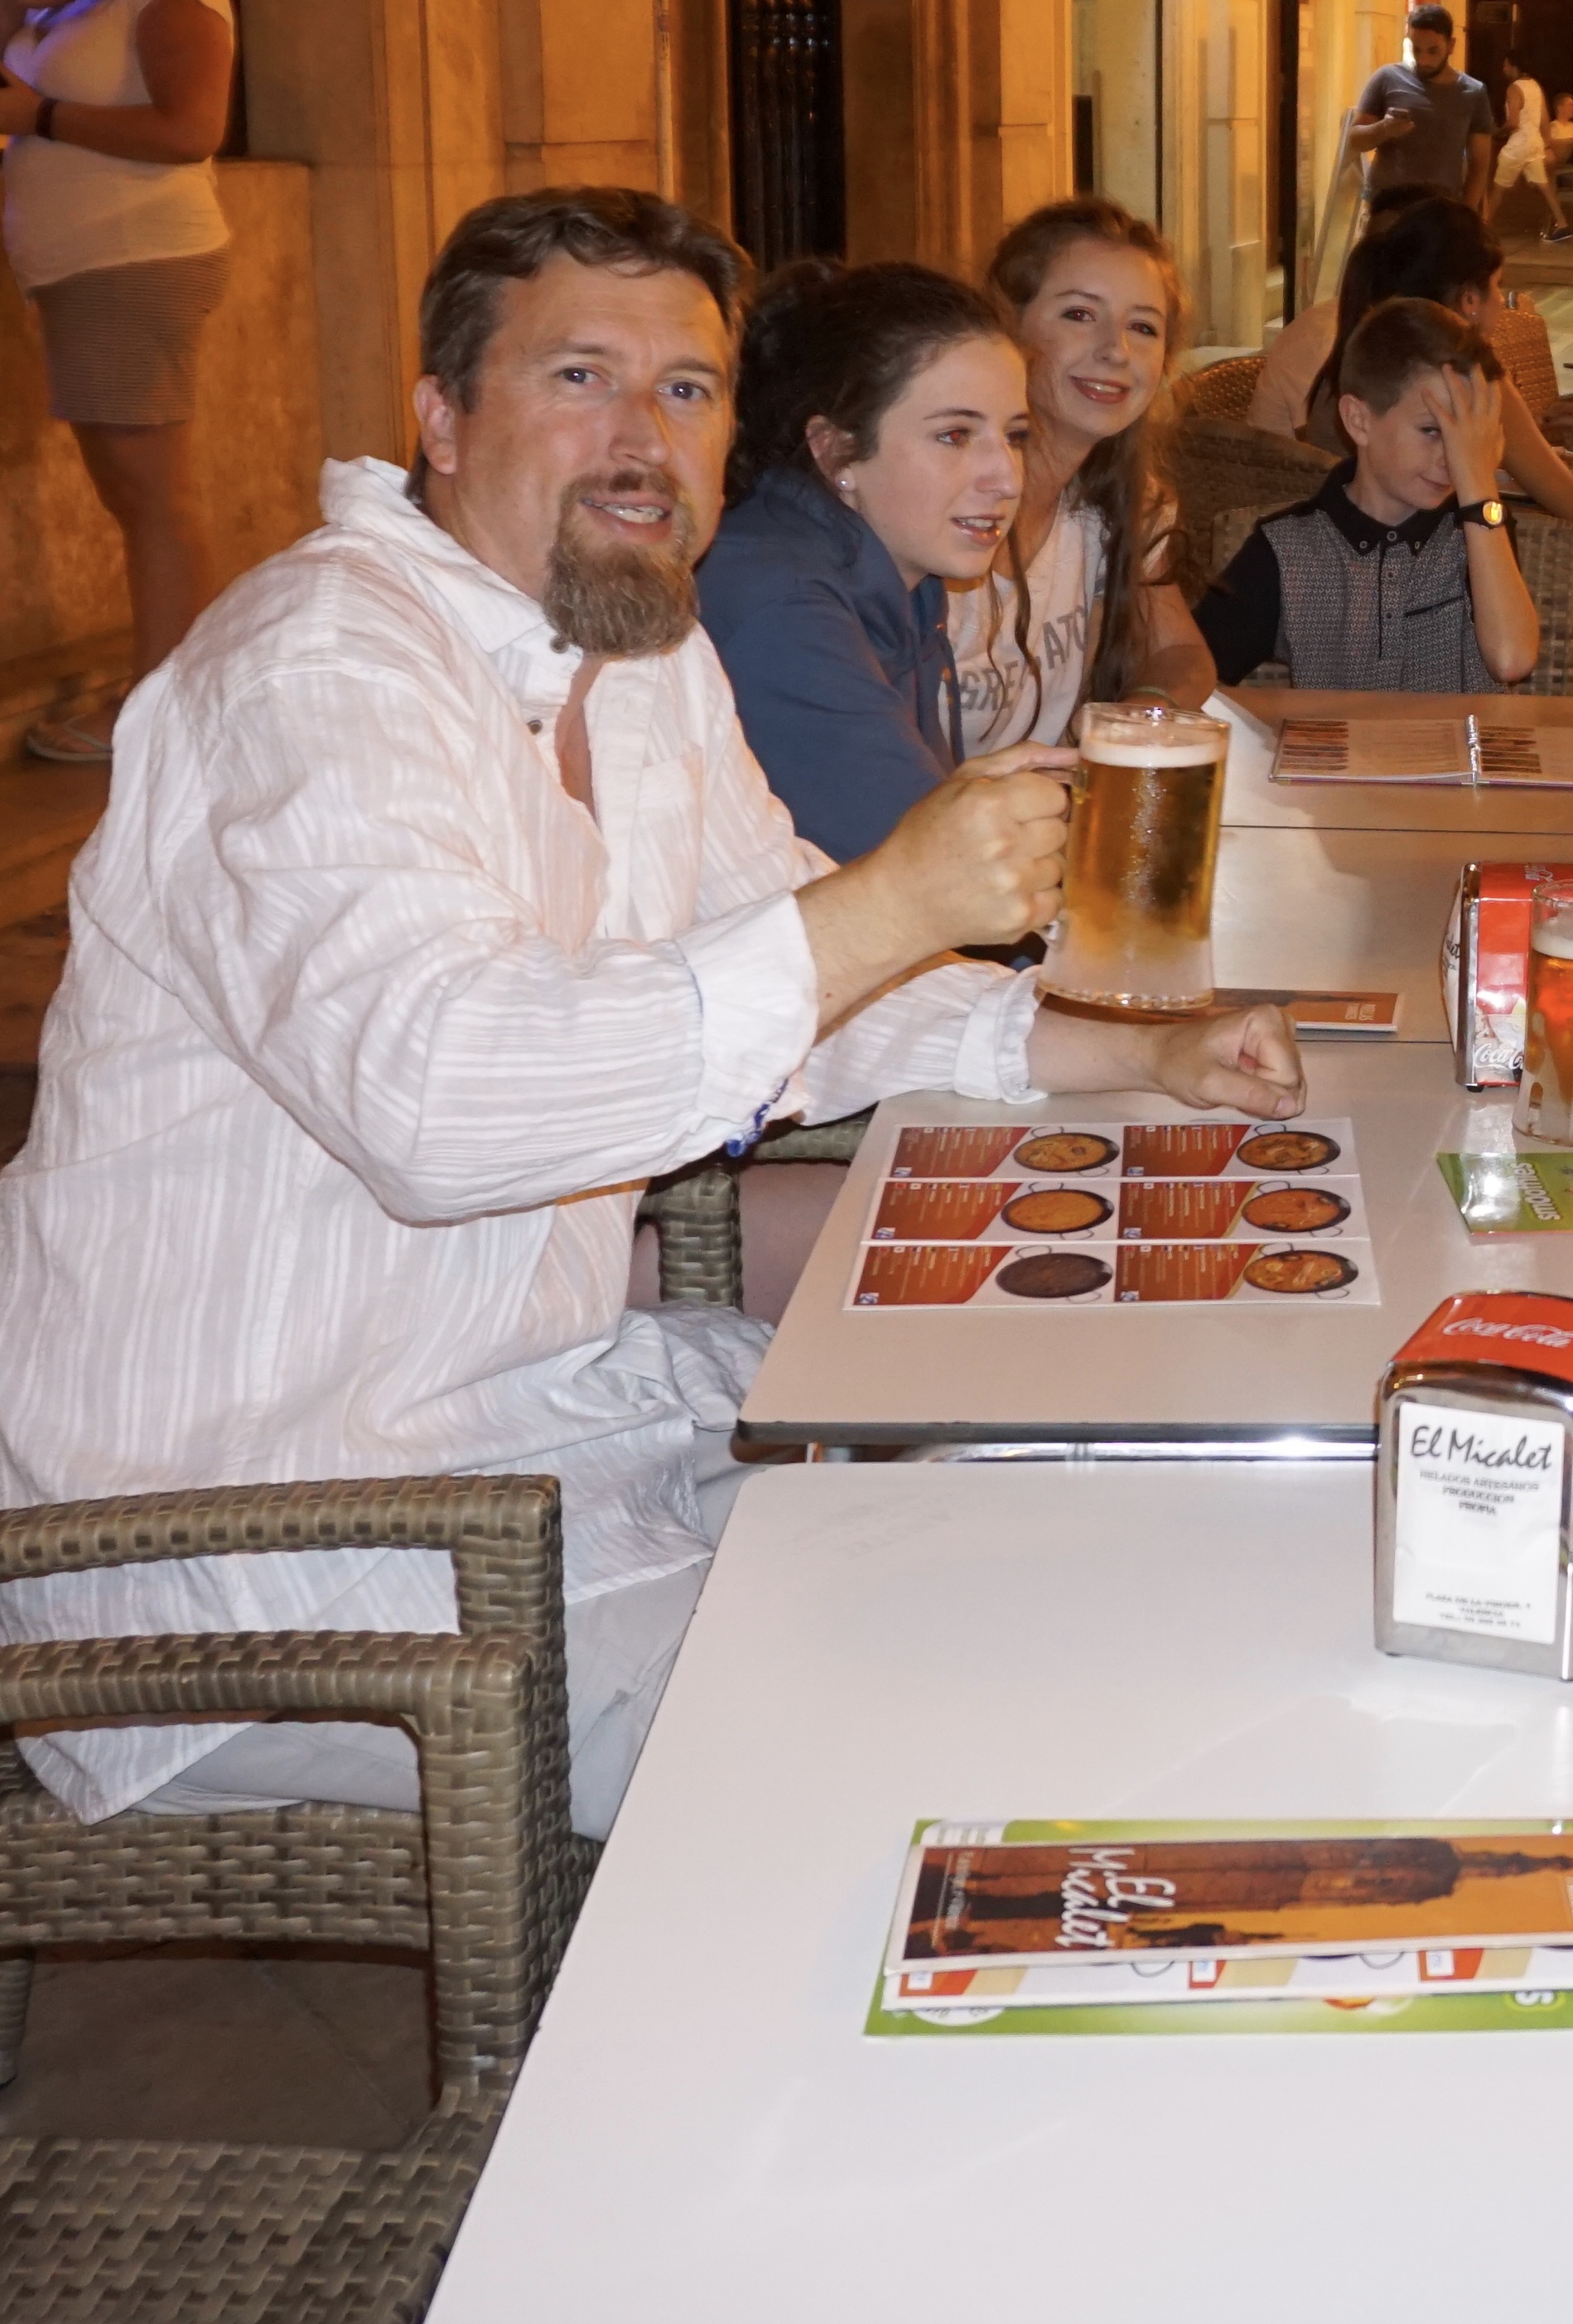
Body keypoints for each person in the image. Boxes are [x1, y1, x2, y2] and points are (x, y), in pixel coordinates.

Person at [0, 187, 1302, 1834]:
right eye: (579, 377)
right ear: (440, 418)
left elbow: (800, 970)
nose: (641, 437)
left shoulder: (640, 651)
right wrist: (893, 899)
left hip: (535, 1425)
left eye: (683, 388)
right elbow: (442, 1106)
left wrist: (1127, 1049)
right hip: (258, 1551)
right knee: (925, 1742)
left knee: (1057, 1478)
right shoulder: (316, 670)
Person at [6, 0, 240, 763]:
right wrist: (8, 10)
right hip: (88, 272)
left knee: (152, 497)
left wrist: (40, 116)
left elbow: (191, 129)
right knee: (137, 495)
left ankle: (162, 716)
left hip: (136, 265)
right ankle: (177, 698)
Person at [697, 263, 1034, 863]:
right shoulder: (780, 604)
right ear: (835, 452)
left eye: (1016, 436)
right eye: (955, 435)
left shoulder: (902, 577)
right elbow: (939, 870)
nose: (1007, 478)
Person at [949, 198, 1218, 754]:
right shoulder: (942, 503)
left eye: (1143, 327)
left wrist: (1137, 719)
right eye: (1079, 314)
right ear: (1007, 327)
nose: (1116, 351)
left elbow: (1181, 655)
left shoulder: (1121, 503)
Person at [1193, 299, 1540, 690]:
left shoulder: (1479, 529)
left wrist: (1480, 489)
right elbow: (1193, 671)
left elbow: (1511, 661)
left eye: (1467, 439)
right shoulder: (1288, 549)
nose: (1454, 460)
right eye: (1432, 431)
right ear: (1359, 420)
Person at [1250, 198, 1573, 526]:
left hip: (1339, 543)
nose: (1501, 300)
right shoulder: (1469, 381)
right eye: (1498, 285)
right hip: (1431, 556)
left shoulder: (1358, 356)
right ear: (1470, 299)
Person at [1346, 2, 1496, 220]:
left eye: (1433, 51)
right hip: (1387, 209)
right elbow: (1355, 140)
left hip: (1441, 211)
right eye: (1416, 49)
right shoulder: (1387, 78)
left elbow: (1480, 165)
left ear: (1451, 45)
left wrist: (1467, 214)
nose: (1423, 60)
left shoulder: (1473, 93)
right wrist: (1384, 129)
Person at [1490, 65, 1562, 237]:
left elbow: (1513, 122)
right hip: (1535, 143)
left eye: (1506, 65)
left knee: (1498, 187)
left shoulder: (1514, 88)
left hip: (1518, 144)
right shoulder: (1535, 86)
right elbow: (1544, 118)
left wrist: (1497, 132)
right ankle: (1562, 223)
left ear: (1513, 66)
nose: (1504, 69)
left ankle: (1483, 225)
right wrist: (1546, 144)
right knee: (1544, 186)